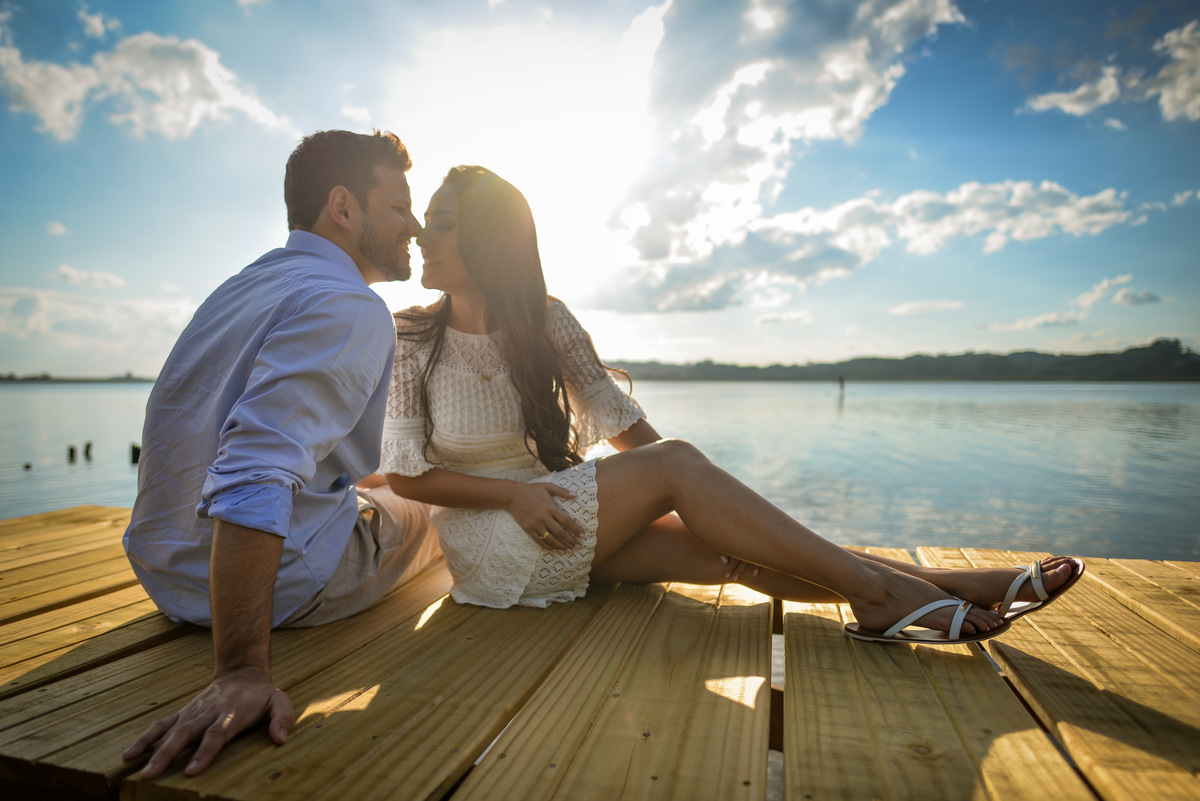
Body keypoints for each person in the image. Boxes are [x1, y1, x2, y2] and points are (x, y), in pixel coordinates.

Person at [380, 165, 1084, 648]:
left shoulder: (546, 319)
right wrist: (517, 497)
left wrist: (700, 502)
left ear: (486, 237)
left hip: (556, 517)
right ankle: (881, 593)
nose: (421, 234)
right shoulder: (412, 336)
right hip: (487, 537)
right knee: (683, 463)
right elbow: (406, 476)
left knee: (732, 548)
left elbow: (620, 424)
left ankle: (956, 585)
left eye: (439, 222)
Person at [121, 130, 442, 780]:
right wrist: (240, 670)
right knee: (435, 505)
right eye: (400, 206)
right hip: (284, 592)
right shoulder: (351, 305)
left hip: (166, 574)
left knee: (373, 481)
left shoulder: (242, 287)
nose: (417, 225)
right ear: (344, 207)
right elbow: (254, 469)